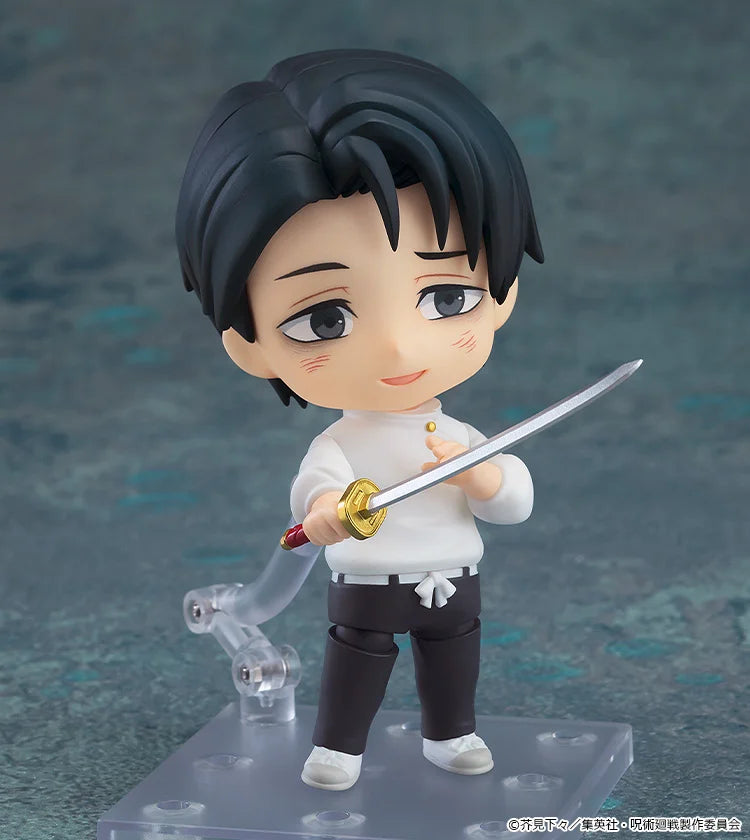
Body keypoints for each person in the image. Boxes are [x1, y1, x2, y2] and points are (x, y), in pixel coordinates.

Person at [175, 49, 544, 791]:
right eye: (325, 319)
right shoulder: (339, 443)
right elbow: (314, 497)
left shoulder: (462, 439)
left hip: (453, 577)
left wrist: (484, 478)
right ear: (250, 345)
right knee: (358, 660)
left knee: (454, 658)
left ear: (500, 293)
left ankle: (452, 733)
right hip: (370, 582)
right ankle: (338, 748)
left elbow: (514, 502)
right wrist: (327, 513)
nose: (398, 347)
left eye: (446, 298)